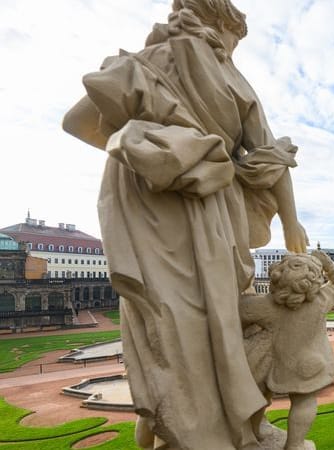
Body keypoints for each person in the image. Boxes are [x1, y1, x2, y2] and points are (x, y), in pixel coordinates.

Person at [62, 1, 308, 448]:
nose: (235, 49)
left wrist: (150, 151)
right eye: (237, 38)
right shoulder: (232, 78)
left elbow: (77, 122)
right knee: (215, 322)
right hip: (210, 214)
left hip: (147, 216)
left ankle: (178, 429)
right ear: (222, 26)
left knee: (165, 326)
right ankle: (233, 430)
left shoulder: (143, 63)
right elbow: (271, 158)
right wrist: (291, 224)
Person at [239, 250, 334, 450]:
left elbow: (239, 312)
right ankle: (295, 444)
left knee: (260, 397)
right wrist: (328, 264)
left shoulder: (266, 305)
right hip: (309, 363)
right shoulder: (320, 301)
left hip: (271, 363)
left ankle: (254, 431)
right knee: (304, 401)